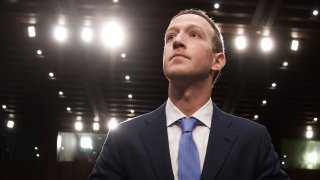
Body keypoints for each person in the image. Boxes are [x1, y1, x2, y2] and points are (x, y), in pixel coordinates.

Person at [88, 9, 290, 180]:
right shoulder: (123, 138)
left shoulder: (253, 139)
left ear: (217, 60)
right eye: (170, 36)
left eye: (194, 34)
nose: (177, 42)